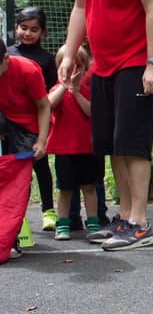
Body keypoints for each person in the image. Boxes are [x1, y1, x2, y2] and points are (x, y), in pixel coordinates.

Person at [60, 0, 153, 251]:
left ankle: (140, 222)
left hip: (136, 63)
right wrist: (70, 52)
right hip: (102, 64)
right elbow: (80, 7)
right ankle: (123, 217)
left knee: (134, 146)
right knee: (114, 146)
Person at [46, 46, 105, 240]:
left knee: (89, 187)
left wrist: (76, 91)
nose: (73, 71)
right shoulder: (57, 89)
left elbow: (91, 112)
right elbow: (48, 104)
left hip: (88, 148)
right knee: (65, 189)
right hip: (65, 150)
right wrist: (65, 86)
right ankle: (63, 223)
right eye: (69, 66)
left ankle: (93, 222)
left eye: (78, 66)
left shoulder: (88, 90)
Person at [0, 40, 50, 260]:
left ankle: (12, 236)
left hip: (26, 125)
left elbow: (44, 106)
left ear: (5, 59)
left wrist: (41, 140)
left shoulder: (28, 71)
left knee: (18, 182)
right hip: (4, 118)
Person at [9, 7, 58, 231]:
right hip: (9, 122)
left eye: (34, 29)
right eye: (24, 28)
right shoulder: (7, 54)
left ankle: (48, 209)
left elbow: (48, 97)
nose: (28, 33)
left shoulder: (47, 59)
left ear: (43, 32)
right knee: (15, 170)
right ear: (15, 28)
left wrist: (42, 132)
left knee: (40, 166)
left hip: (35, 120)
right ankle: (17, 214)